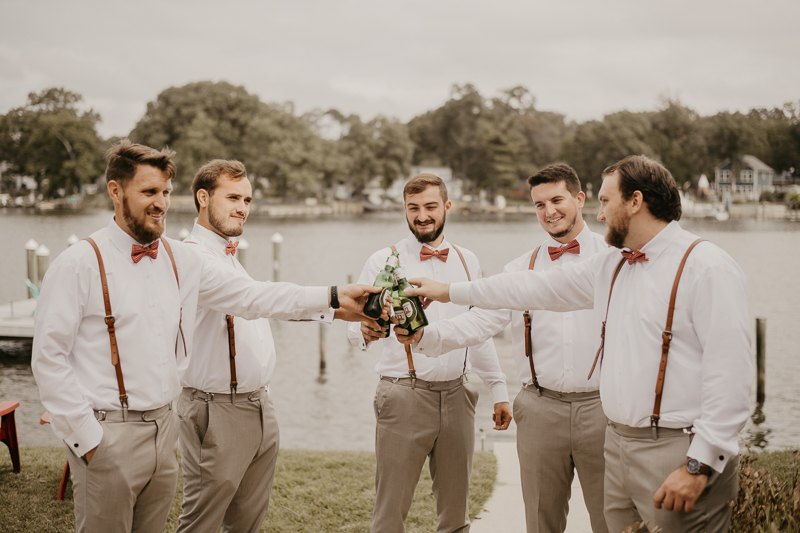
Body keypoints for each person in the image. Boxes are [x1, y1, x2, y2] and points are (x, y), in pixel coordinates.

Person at [31, 139, 383, 533]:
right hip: (109, 429)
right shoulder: (78, 263)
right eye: (149, 192)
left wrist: (335, 299)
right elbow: (48, 357)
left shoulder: (180, 259)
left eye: (165, 192)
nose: (161, 202)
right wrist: (88, 440)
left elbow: (254, 296)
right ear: (115, 191)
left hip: (164, 430)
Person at [404, 155, 752, 533]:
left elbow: (730, 376)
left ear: (633, 202)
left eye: (605, 201)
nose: (600, 214)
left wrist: (700, 463)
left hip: (653, 436)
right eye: (540, 204)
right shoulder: (613, 265)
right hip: (594, 431)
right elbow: (526, 289)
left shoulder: (704, 266)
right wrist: (443, 299)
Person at [396, 164, 609, 533]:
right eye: (539, 204)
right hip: (540, 408)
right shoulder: (519, 268)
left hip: (604, 407)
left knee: (612, 519)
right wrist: (425, 337)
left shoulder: (614, 258)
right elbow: (480, 323)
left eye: (556, 200)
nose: (549, 211)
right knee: (541, 521)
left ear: (579, 198)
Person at [176, 159, 336, 532]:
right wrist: (334, 294)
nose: (242, 208)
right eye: (233, 197)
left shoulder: (228, 257)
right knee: (201, 521)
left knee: (248, 522)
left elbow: (268, 305)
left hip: (259, 405)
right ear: (203, 197)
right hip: (215, 410)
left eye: (247, 199)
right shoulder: (192, 258)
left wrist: (344, 312)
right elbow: (254, 298)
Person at [346, 173, 512, 533]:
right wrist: (364, 330)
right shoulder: (383, 260)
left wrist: (498, 390)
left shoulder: (468, 262)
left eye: (430, 207)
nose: (422, 216)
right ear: (405, 210)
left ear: (447, 207)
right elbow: (353, 325)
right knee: (390, 513)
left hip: (458, 395)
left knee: (456, 513)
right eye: (413, 208)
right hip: (403, 394)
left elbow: (478, 330)